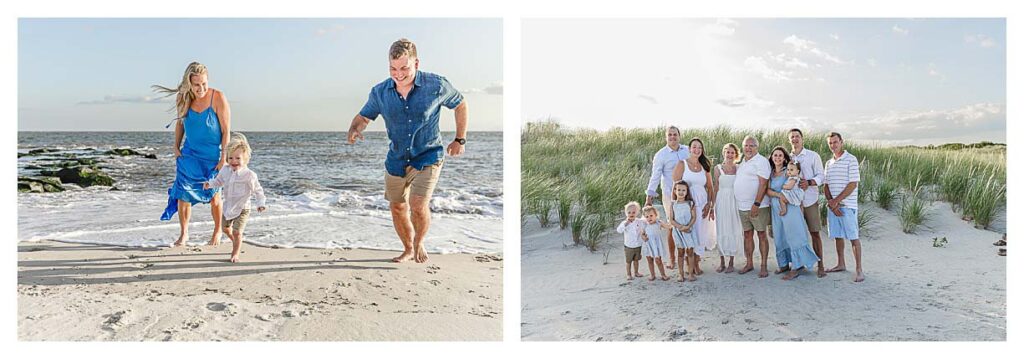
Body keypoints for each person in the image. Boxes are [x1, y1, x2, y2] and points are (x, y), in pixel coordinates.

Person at [346, 38, 468, 264]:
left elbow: (460, 104)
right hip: (397, 159)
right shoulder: (380, 92)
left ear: (416, 64)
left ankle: (419, 242)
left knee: (418, 205)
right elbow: (364, 116)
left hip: (429, 155)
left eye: (404, 68)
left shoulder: (437, 85)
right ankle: (407, 248)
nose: (398, 74)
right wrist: (355, 127)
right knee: (397, 207)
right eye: (393, 68)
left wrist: (460, 139)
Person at [153, 62, 230, 247]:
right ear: (189, 83)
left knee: (214, 196)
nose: (201, 88)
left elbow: (226, 131)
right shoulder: (183, 98)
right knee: (183, 193)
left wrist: (223, 158)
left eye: (204, 83)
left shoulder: (218, 97)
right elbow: (180, 123)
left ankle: (217, 231)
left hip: (212, 155)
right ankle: (184, 234)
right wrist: (176, 147)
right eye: (196, 84)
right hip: (189, 154)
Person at [203, 133, 267, 263]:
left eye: (238, 158)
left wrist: (261, 203)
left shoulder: (249, 175)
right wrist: (209, 184)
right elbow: (219, 181)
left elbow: (258, 191)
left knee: (237, 232)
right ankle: (236, 242)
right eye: (230, 158)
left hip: (243, 208)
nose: (233, 161)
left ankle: (235, 253)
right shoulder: (225, 170)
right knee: (225, 229)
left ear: (246, 159)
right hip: (228, 206)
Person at [764, 146, 820, 280]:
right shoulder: (770, 173)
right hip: (776, 209)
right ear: (772, 158)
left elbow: (797, 189)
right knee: (780, 236)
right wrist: (779, 195)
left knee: (793, 236)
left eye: (780, 156)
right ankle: (783, 264)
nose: (777, 158)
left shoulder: (789, 172)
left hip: (790, 208)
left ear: (784, 158)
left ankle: (796, 267)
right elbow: (767, 191)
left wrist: (785, 198)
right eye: (775, 155)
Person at [645, 126, 690, 270]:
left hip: (687, 194)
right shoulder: (661, 155)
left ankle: (690, 259)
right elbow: (655, 176)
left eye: (675, 134)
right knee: (672, 225)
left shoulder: (686, 150)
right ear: (666, 137)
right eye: (669, 135)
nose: (672, 137)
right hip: (670, 195)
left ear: (679, 135)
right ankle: (672, 259)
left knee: (688, 223)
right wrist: (649, 196)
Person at [822, 132, 865, 282]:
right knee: (838, 236)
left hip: (847, 205)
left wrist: (837, 201)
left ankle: (859, 270)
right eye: (830, 143)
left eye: (835, 142)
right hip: (833, 207)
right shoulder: (829, 163)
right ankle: (841, 264)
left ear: (841, 142)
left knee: (854, 238)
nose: (833, 145)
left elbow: (853, 184)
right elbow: (826, 185)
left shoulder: (851, 159)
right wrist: (831, 203)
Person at [788, 128, 827, 277]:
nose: (795, 139)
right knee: (796, 235)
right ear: (789, 140)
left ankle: (821, 265)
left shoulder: (812, 156)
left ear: (802, 138)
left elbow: (821, 176)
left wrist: (809, 182)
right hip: (794, 202)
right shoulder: (788, 157)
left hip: (810, 200)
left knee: (815, 233)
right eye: (792, 137)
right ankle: (797, 265)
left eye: (797, 136)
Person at [673, 137, 715, 275]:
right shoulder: (682, 164)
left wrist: (710, 204)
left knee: (700, 234)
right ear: (689, 149)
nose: (697, 150)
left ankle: (696, 263)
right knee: (690, 233)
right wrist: (675, 207)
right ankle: (689, 265)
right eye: (694, 147)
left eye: (700, 148)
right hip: (687, 206)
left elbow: (710, 187)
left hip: (702, 205)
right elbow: (675, 187)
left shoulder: (705, 166)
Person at [734, 136, 771, 278]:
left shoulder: (761, 161)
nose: (748, 148)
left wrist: (756, 203)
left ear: (757, 147)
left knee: (761, 234)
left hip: (758, 206)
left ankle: (763, 266)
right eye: (746, 146)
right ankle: (749, 263)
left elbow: (763, 184)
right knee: (747, 234)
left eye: (752, 145)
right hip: (742, 206)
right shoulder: (743, 162)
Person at [713, 143, 743, 273]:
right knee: (721, 228)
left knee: (733, 227)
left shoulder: (739, 168)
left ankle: (731, 261)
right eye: (727, 152)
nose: (730, 155)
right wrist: (711, 206)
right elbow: (715, 187)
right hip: (721, 200)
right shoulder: (717, 168)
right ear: (724, 153)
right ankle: (722, 261)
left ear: (736, 155)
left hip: (734, 200)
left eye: (732, 153)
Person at [669, 181, 699, 282]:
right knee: (680, 252)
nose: (681, 192)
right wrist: (680, 227)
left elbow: (694, 217)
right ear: (675, 191)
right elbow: (671, 219)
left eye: (683, 190)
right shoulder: (673, 204)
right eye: (679, 190)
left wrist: (687, 226)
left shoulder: (690, 203)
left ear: (687, 192)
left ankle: (691, 273)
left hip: (689, 230)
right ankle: (681, 274)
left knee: (690, 251)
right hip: (678, 231)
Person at [639, 205, 671, 281]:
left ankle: (663, 274)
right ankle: (652, 275)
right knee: (650, 260)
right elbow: (642, 233)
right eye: (647, 216)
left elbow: (668, 226)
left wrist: (671, 222)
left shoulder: (658, 223)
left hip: (656, 245)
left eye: (651, 216)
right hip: (648, 245)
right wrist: (643, 237)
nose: (649, 218)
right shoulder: (645, 224)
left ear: (655, 215)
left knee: (658, 260)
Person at [616, 201, 645, 280]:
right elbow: (619, 230)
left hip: (638, 245)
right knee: (629, 261)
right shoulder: (624, 223)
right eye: (629, 212)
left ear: (637, 212)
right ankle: (628, 274)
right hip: (629, 246)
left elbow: (644, 224)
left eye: (633, 212)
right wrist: (626, 224)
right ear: (626, 213)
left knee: (636, 260)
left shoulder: (639, 221)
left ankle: (636, 272)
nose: (631, 214)